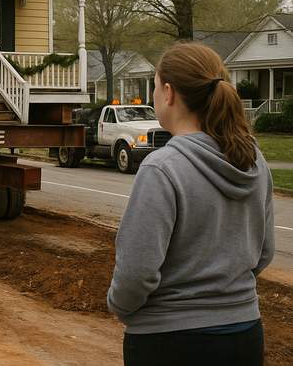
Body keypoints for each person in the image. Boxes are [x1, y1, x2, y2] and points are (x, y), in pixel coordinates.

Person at [107, 42, 274, 366]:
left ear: (168, 93)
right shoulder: (254, 161)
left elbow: (136, 272)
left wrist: (120, 305)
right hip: (244, 336)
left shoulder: (162, 167)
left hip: (169, 341)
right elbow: (264, 253)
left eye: (154, 87)